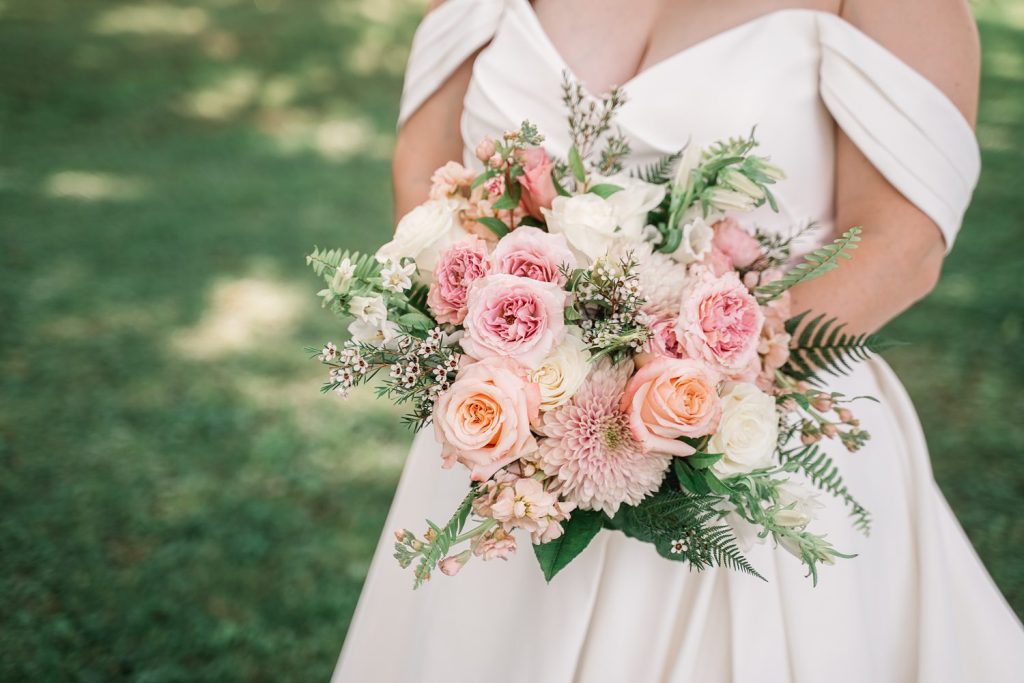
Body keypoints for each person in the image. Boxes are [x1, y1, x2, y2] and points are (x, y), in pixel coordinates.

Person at [334, 1, 1024, 680]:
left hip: (751, 445)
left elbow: (901, 242)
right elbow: (423, 167)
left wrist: (686, 389)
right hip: (510, 450)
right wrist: (516, 373)